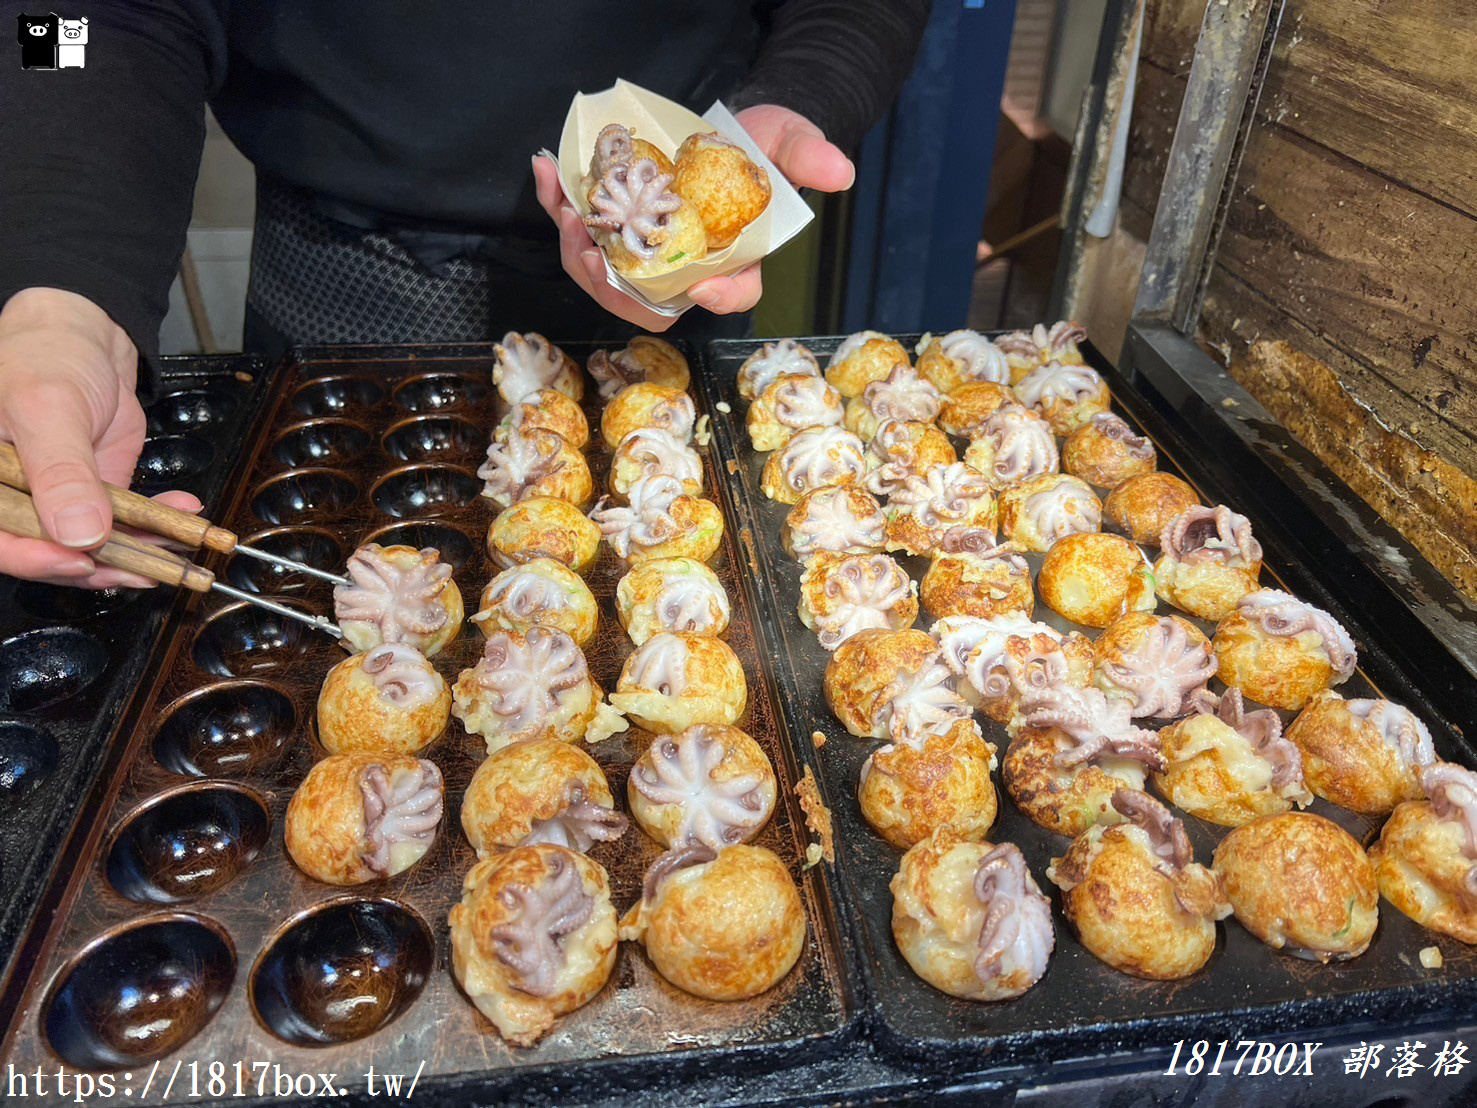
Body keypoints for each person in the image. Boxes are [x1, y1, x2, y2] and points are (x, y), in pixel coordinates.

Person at [0, 1, 931, 589]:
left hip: (673, 272)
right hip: (333, 293)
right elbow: (68, 22)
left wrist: (802, 97)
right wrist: (63, 288)